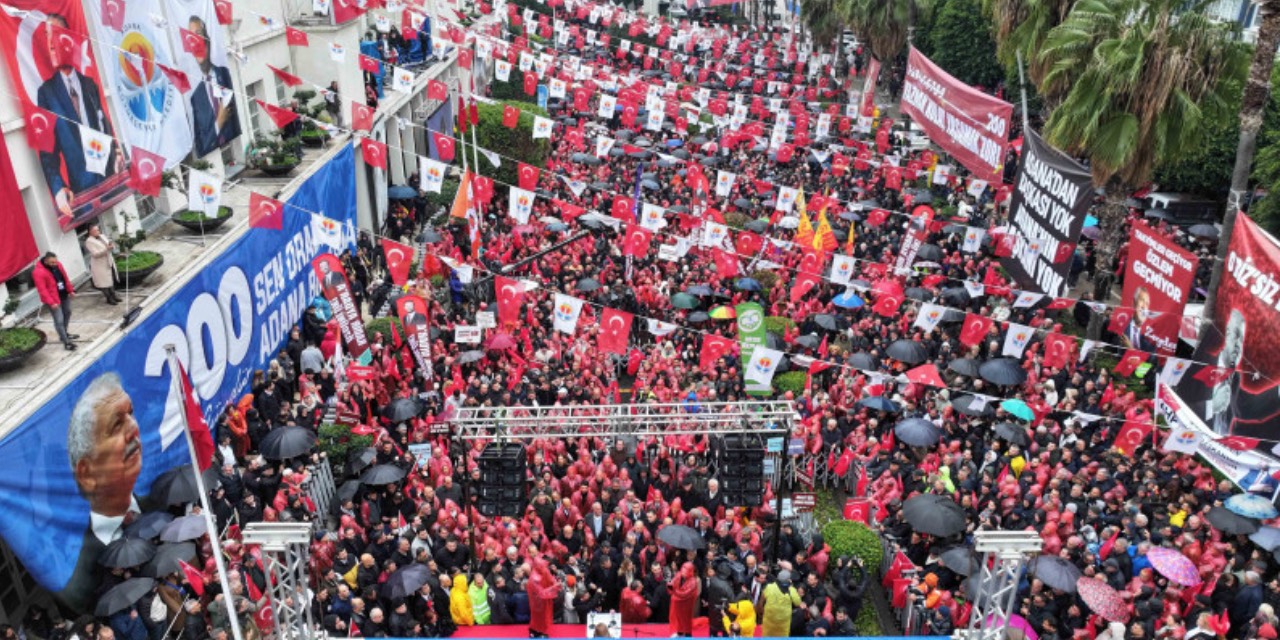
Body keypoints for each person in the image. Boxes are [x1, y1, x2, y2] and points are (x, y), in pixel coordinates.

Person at [60, 373, 143, 611]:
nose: (134, 428)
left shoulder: (157, 500)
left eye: (131, 414)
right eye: (117, 424)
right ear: (86, 473)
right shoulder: (82, 571)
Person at [36, 14, 118, 225]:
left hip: (110, 179)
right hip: (81, 191)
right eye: (47, 36)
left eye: (55, 35)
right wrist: (57, 188)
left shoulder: (89, 85)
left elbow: (104, 125)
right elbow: (47, 151)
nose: (50, 44)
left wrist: (116, 153)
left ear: (68, 39)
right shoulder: (46, 93)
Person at [187, 16, 240, 156]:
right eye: (190, 38)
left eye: (198, 34)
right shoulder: (196, 96)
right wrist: (219, 122)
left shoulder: (224, 74)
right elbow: (202, 144)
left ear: (207, 40)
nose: (196, 43)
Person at [34, 251, 77, 350]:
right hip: (53, 299)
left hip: (63, 294)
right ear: (45, 261)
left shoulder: (58, 265)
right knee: (59, 320)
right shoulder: (38, 272)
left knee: (68, 312)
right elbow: (42, 289)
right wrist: (51, 302)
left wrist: (70, 290)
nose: (55, 264)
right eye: (52, 263)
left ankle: (64, 333)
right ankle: (66, 341)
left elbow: (65, 278)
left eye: (56, 262)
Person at [84, 224, 120, 305]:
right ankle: (109, 298)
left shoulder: (102, 236)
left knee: (111, 279)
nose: (98, 232)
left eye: (98, 230)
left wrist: (111, 246)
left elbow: (109, 245)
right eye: (95, 230)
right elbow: (95, 254)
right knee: (104, 282)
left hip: (108, 261)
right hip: (99, 264)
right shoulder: (89, 241)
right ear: (90, 232)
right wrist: (106, 249)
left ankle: (114, 295)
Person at [760, 571, 802, 637]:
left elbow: (763, 597)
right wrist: (791, 586)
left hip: (769, 621)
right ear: (789, 580)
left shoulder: (770, 587)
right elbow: (798, 603)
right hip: (783, 624)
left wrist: (762, 609)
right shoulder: (791, 590)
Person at [668, 562, 699, 637]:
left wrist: (674, 591)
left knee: (686, 622)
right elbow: (672, 585)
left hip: (686, 606)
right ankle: (679, 633)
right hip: (678, 606)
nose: (683, 573)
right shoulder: (678, 575)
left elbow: (684, 594)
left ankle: (688, 635)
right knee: (678, 622)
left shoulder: (693, 582)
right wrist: (670, 586)